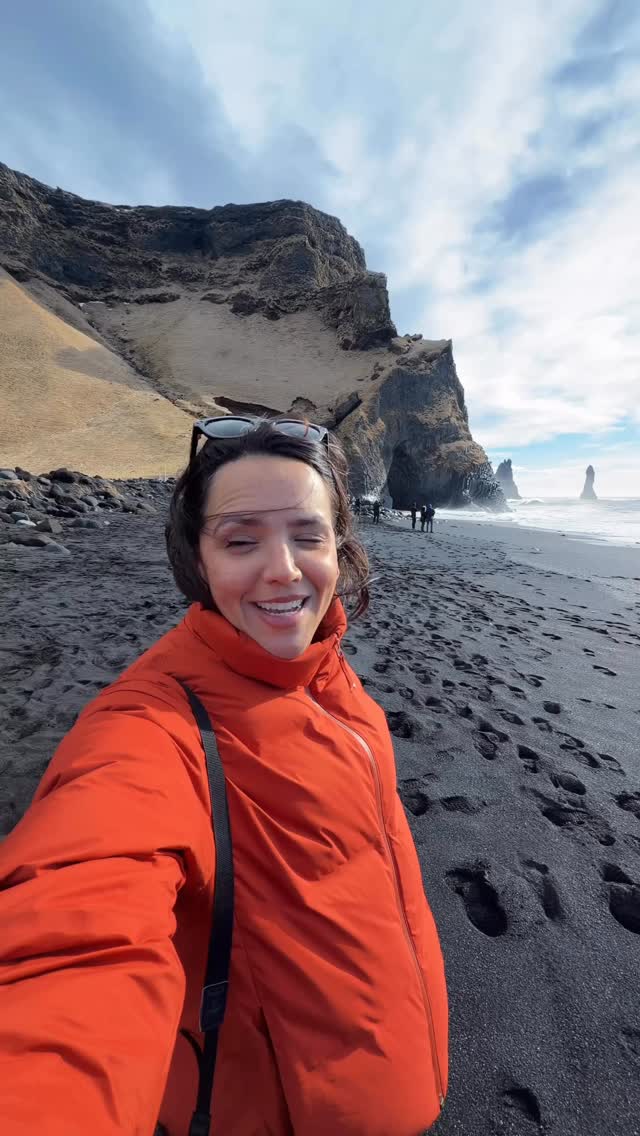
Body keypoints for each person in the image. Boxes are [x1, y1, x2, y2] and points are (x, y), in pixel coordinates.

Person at [0, 417, 448, 1136]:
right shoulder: (149, 728)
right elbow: (73, 940)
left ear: (340, 545)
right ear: (197, 560)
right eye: (242, 540)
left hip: (402, 1081)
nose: (283, 569)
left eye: (308, 535)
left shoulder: (327, 675)